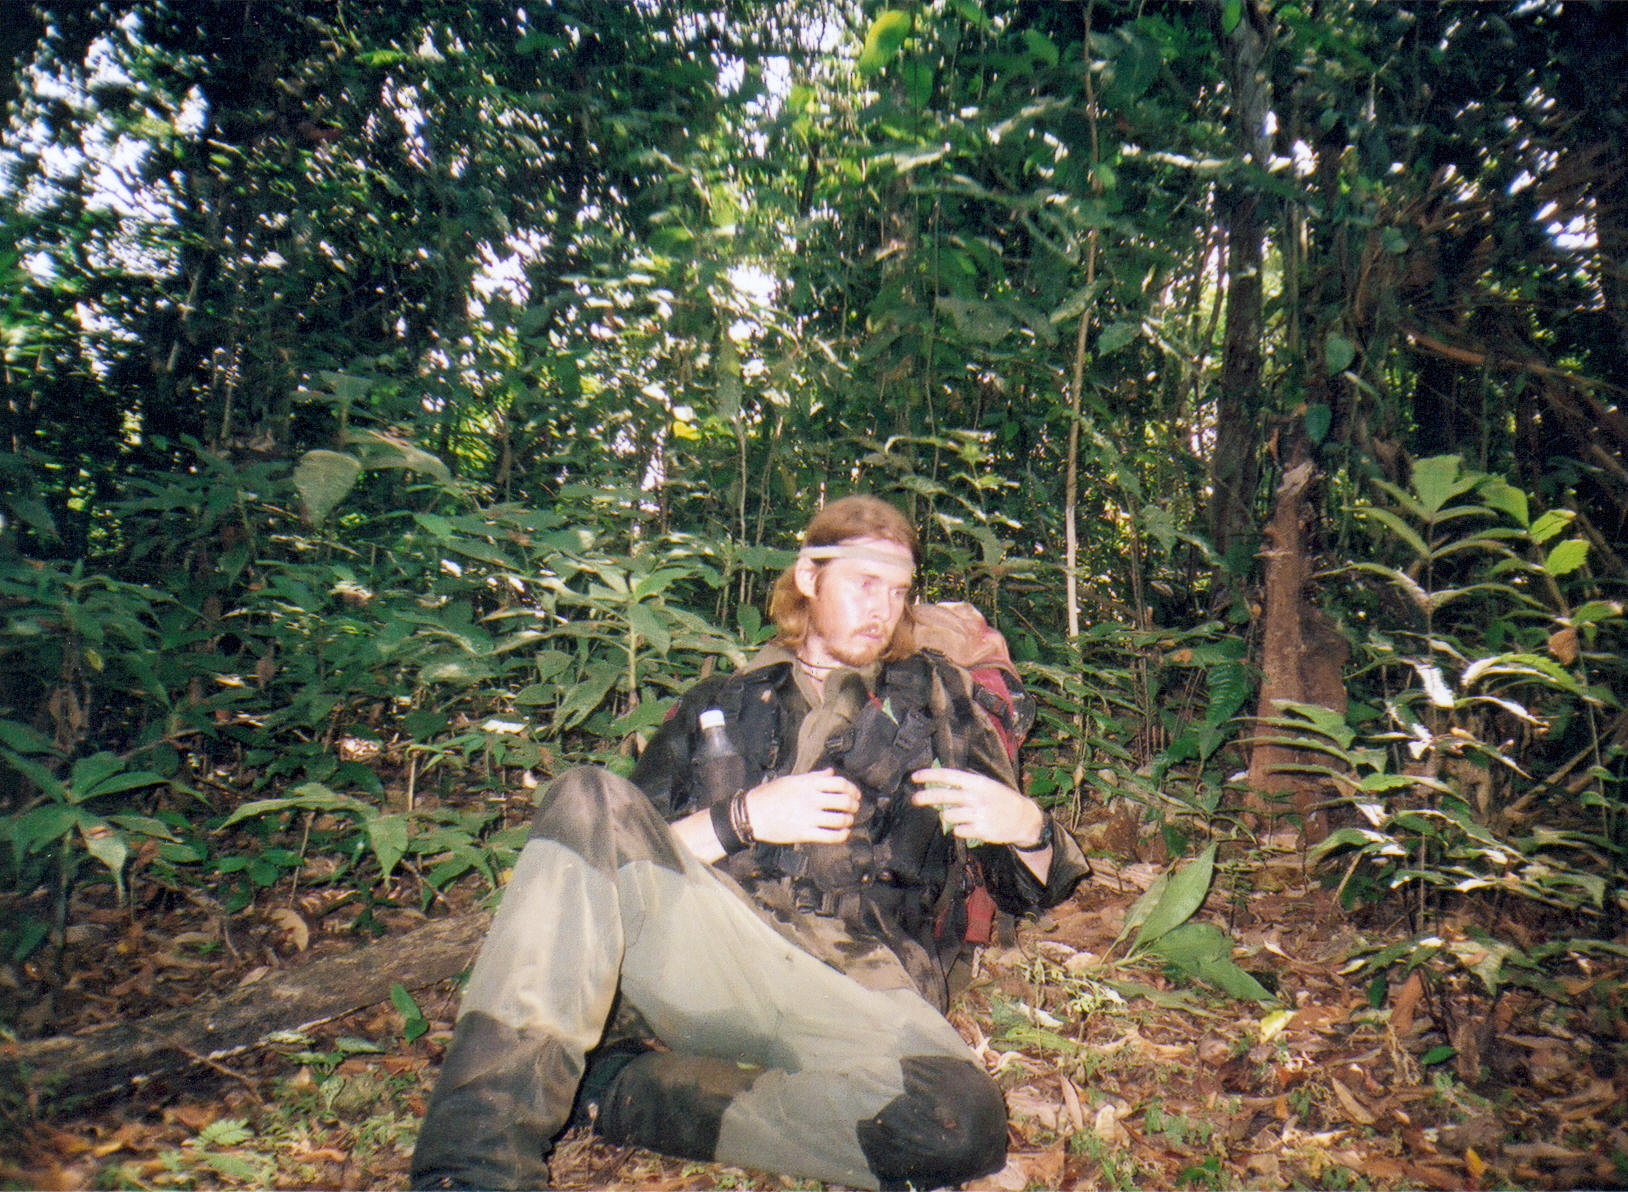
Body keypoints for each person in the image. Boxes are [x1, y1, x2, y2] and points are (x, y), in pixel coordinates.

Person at [410, 495, 1089, 1191]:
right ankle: (470, 1169)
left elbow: (1025, 888)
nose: (883, 608)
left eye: (898, 591)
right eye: (863, 583)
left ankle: (616, 1091)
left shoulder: (942, 701)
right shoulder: (722, 701)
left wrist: (1027, 828)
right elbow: (609, 847)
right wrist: (741, 818)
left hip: (861, 979)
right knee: (584, 793)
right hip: (711, 957)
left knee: (956, 1123)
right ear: (807, 577)